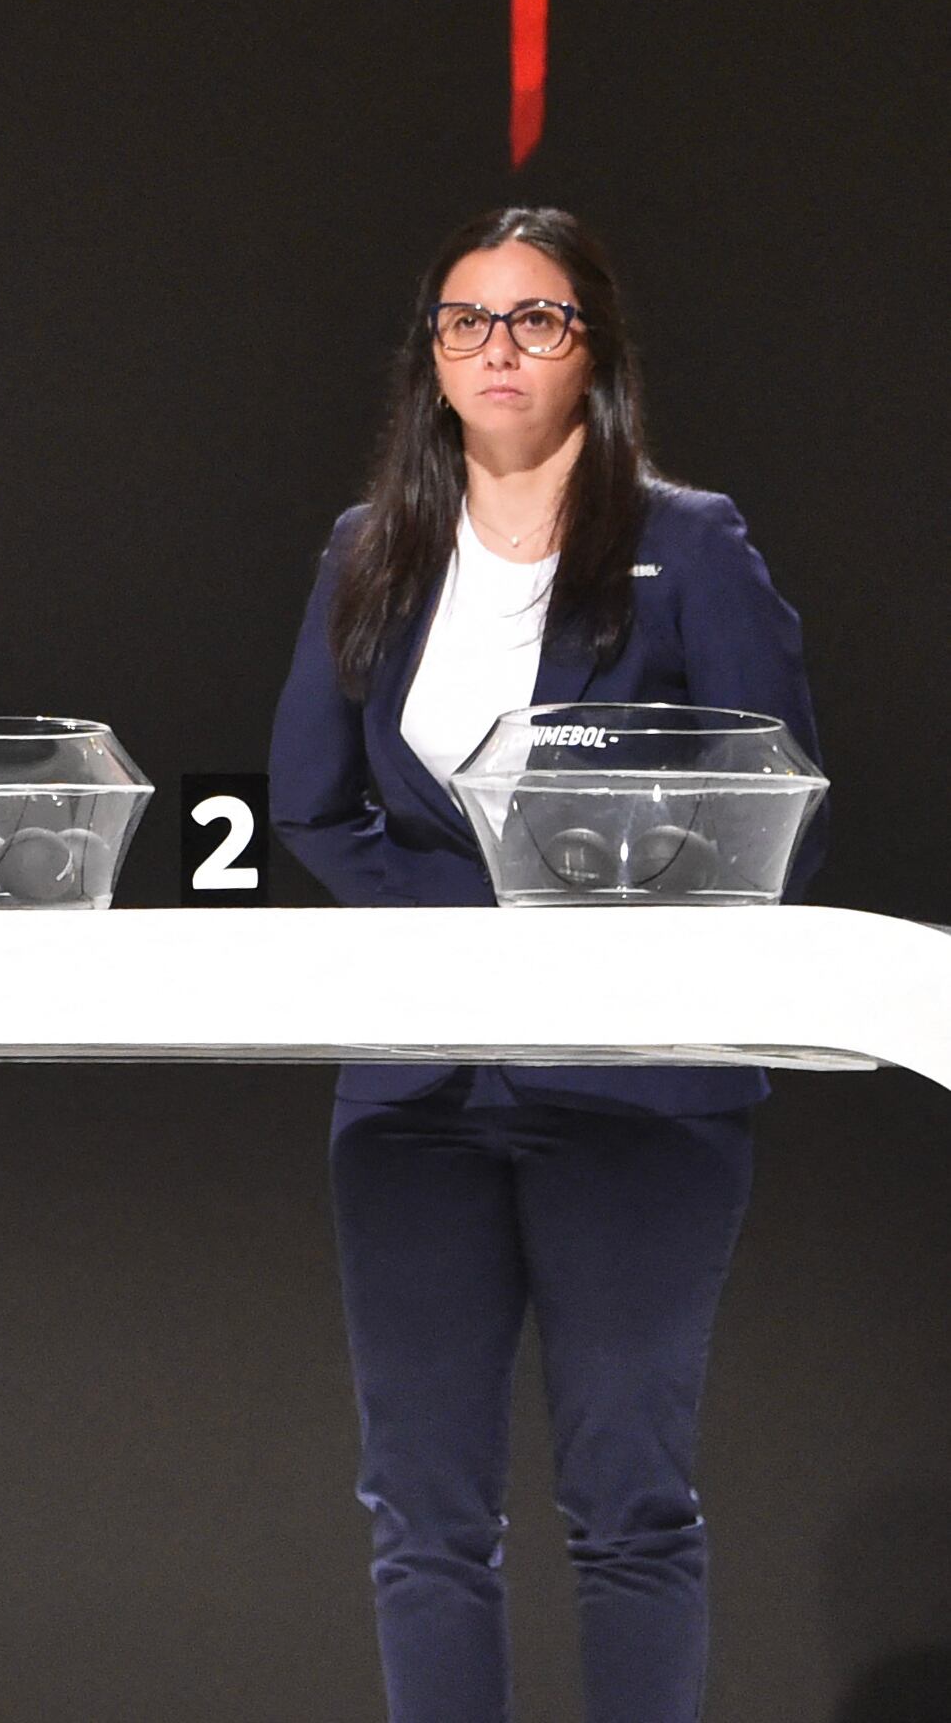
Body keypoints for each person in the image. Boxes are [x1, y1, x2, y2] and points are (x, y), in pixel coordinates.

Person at [269, 206, 818, 1723]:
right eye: (466, 320)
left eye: (537, 319)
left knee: (631, 1503)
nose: (497, 348)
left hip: (639, 1086)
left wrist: (603, 946)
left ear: (596, 352)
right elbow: (310, 800)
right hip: (417, 1080)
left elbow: (782, 806)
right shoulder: (369, 550)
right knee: (421, 1515)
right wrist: (464, 945)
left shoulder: (687, 545)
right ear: (430, 355)